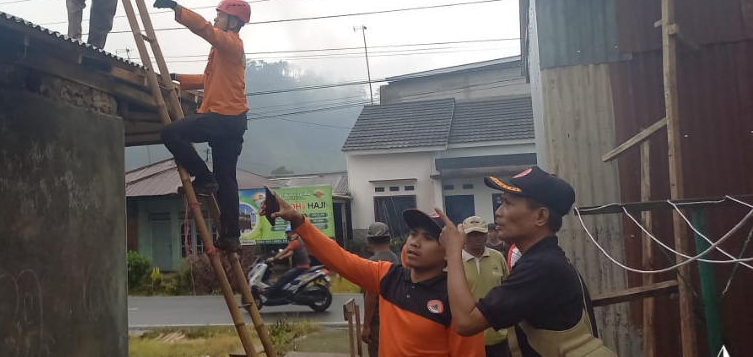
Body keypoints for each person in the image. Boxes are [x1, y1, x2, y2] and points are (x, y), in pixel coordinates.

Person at [261, 189, 484, 357]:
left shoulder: (457, 302)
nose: (415, 242)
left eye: (428, 238)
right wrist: (299, 221)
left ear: (448, 252)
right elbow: (339, 258)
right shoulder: (388, 275)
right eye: (413, 234)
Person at [438, 166, 618, 357]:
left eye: (507, 204)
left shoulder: (540, 268)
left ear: (540, 216)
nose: (498, 212)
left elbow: (466, 322)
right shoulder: (547, 260)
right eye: (500, 203)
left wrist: (452, 252)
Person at [149, 0, 251, 252]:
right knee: (227, 179)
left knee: (171, 134)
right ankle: (231, 236)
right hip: (234, 121)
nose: (216, 18)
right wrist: (175, 76)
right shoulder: (227, 50)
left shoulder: (229, 44)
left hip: (222, 117)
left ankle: (204, 178)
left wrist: (176, 6)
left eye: (221, 14)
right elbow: (208, 79)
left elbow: (204, 28)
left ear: (233, 22)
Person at [460, 216, 510, 357]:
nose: (477, 238)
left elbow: (506, 290)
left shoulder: (498, 257)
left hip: (498, 335)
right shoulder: (455, 261)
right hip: (468, 337)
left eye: (480, 234)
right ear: (464, 236)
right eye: (472, 234)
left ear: (487, 234)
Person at [362, 222, 400, 357]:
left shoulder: (371, 263)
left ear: (369, 241)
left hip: (378, 321)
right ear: (389, 239)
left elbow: (371, 296)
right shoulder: (396, 259)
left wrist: (366, 325)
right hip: (396, 318)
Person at [264, 228, 312, 299]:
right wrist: (282, 257)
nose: (286, 235)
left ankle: (270, 292)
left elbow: (286, 250)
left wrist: (273, 258)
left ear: (292, 232)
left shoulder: (294, 242)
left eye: (287, 233)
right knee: (288, 278)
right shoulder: (298, 240)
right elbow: (291, 252)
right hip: (303, 265)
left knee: (283, 278)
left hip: (301, 266)